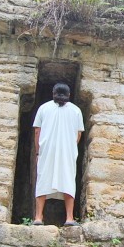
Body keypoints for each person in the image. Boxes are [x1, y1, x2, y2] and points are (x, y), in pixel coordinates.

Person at [33, 83, 84, 226]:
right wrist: (71, 146)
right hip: (67, 150)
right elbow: (78, 134)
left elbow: (37, 131)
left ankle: (38, 217)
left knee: (43, 179)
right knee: (67, 179)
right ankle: (69, 218)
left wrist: (38, 151)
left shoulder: (43, 108)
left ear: (53, 93)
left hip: (47, 149)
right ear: (69, 95)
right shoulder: (76, 111)